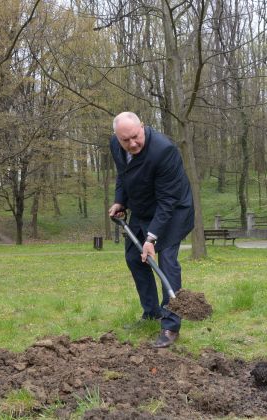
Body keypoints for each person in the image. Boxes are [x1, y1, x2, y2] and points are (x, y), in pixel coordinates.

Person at [108, 112, 194, 348]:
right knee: (134, 258)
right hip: (142, 208)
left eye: (135, 137)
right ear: (117, 137)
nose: (132, 144)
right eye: (125, 140)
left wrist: (152, 238)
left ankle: (170, 325)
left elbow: (168, 200)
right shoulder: (116, 144)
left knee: (165, 261)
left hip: (173, 211)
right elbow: (123, 175)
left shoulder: (164, 151)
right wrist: (120, 201)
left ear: (143, 127)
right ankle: (151, 312)